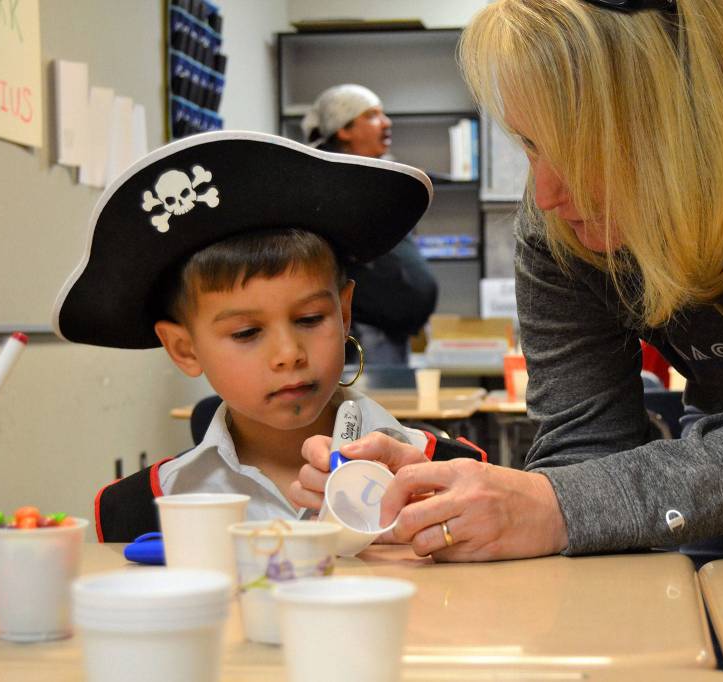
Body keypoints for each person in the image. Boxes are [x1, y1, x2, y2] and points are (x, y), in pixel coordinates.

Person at [288, 0, 723, 562]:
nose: (547, 194)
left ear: (683, 113)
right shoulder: (555, 228)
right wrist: (462, 502)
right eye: (531, 142)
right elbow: (588, 451)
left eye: (582, 144)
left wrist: (560, 504)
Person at [52, 131, 485, 542]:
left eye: (311, 318)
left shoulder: (449, 478)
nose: (288, 353)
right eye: (246, 332)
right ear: (183, 348)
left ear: (345, 312)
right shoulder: (143, 509)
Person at [302, 84, 438, 364]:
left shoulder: (376, 181)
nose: (386, 122)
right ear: (344, 129)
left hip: (390, 333)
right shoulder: (330, 183)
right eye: (372, 115)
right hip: (364, 337)